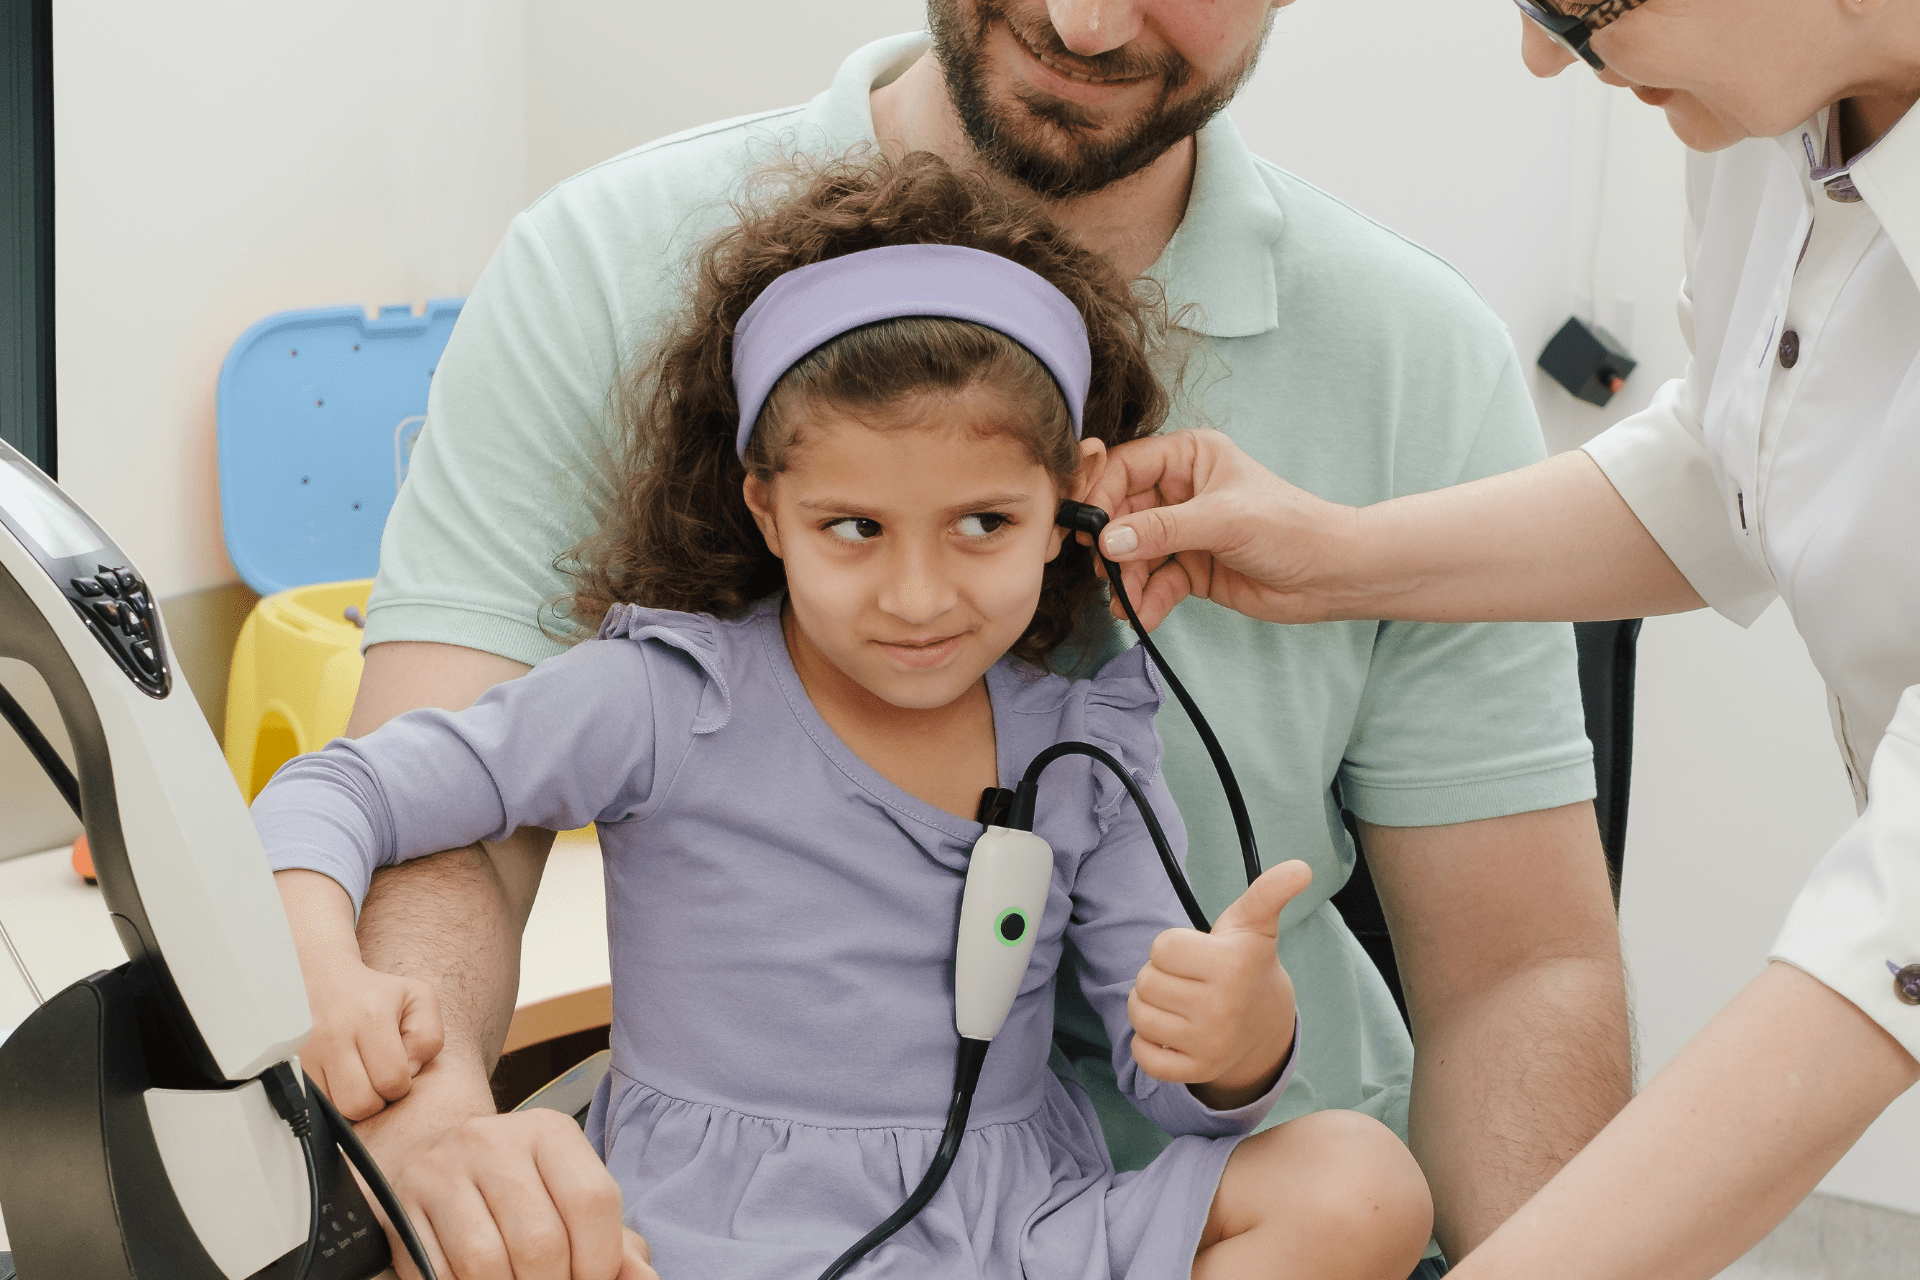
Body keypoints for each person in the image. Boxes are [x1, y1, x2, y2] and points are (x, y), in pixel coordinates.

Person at [338, 3, 1631, 1276]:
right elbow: (429, 797)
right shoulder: (594, 267)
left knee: (1356, 1182)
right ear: (762, 498)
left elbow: (1523, 970)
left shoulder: (1419, 356)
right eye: (856, 527)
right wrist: (436, 1120)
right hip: (762, 1221)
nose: (1084, 16)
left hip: (1215, 1219)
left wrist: (1242, 1044)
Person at [1075, 2, 1920, 1276]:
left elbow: (1889, 934)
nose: (1543, 55)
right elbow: (1742, 450)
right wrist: (1339, 558)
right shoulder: (1759, 110)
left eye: (1579, 4)